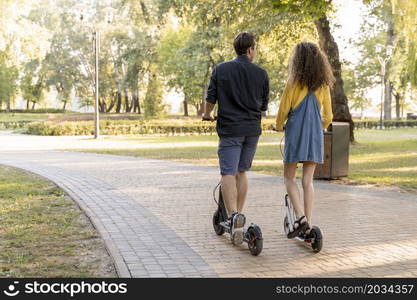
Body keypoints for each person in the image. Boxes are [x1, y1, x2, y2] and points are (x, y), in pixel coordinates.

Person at [203, 32, 269, 245]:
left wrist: (207, 114)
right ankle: (238, 213)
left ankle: (232, 217)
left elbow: (210, 97)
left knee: (228, 173)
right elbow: (264, 105)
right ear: (250, 49)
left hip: (231, 129)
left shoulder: (221, 69)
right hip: (252, 129)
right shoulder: (261, 73)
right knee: (242, 171)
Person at [275, 41, 334, 239]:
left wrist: (277, 125)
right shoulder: (323, 85)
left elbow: (283, 109)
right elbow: (328, 117)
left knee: (289, 177)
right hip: (314, 134)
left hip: (296, 132)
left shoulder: (293, 83)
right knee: (308, 181)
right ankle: (308, 225)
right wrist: (320, 127)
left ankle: (300, 218)